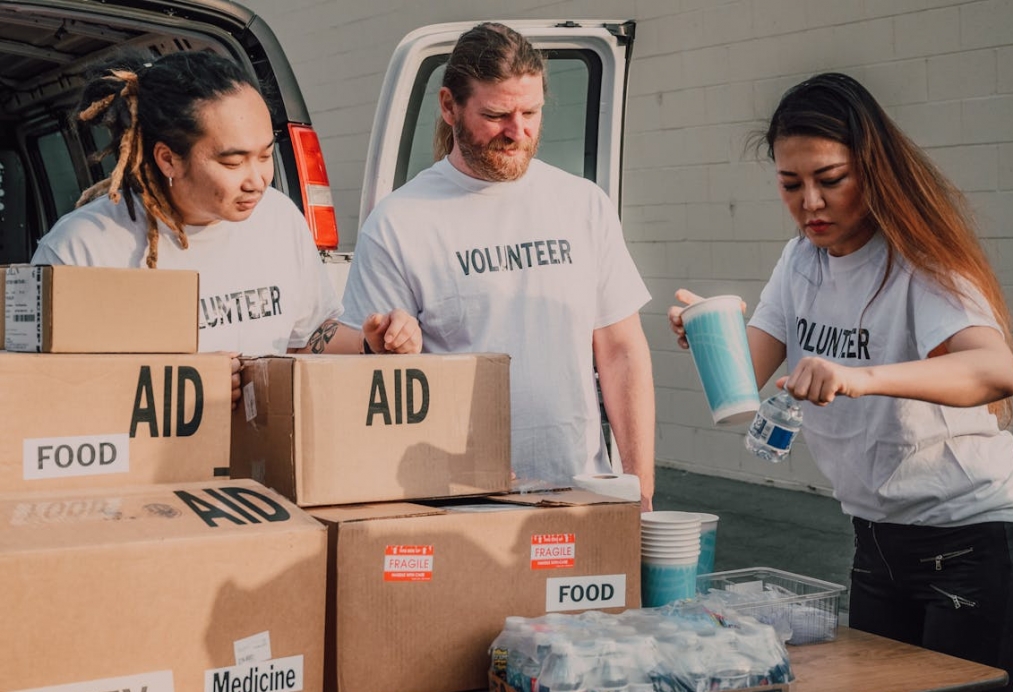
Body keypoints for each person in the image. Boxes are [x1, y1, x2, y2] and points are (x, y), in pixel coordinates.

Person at [670, 72, 1013, 679]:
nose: (811, 204)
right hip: (875, 540)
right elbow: (743, 389)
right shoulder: (800, 260)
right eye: (790, 183)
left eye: (830, 180)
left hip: (971, 538)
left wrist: (860, 377)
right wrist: (707, 335)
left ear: (872, 170)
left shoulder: (919, 259)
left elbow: (995, 369)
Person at [339, 23, 656, 509]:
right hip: (458, 501)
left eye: (531, 112)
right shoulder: (399, 222)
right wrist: (384, 344)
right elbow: (380, 388)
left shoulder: (582, 205)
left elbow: (620, 352)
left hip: (583, 493)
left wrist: (640, 488)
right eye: (496, 114)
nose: (519, 132)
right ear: (449, 107)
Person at [31, 51, 421, 401]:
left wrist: (371, 343)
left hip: (261, 466)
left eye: (266, 155)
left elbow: (306, 340)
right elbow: (41, 392)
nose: (257, 179)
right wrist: (182, 384)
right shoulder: (81, 250)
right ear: (168, 159)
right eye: (233, 163)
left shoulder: (279, 218)